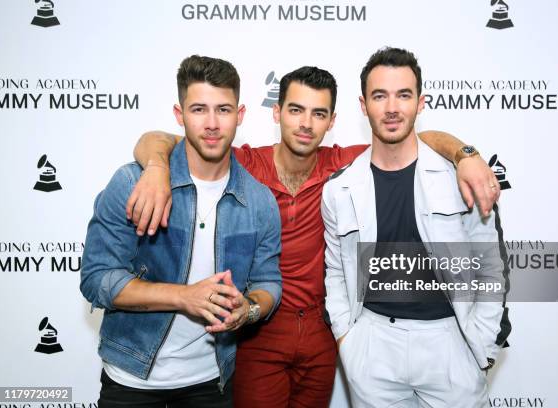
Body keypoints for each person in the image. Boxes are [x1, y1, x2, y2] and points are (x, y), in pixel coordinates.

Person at [128, 66, 501, 407]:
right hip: (259, 330)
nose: (306, 124)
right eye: (295, 110)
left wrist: (465, 154)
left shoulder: (345, 166)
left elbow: (417, 139)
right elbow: (158, 140)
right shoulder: (242, 163)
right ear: (276, 113)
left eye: (318, 114)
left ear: (332, 122)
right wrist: (158, 167)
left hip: (322, 337)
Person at [80, 55, 282, 408]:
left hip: (211, 382)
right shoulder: (132, 183)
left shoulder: (259, 201)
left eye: (223, 110)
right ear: (179, 114)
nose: (212, 123)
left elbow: (268, 282)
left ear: (241, 114)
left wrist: (247, 309)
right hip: (132, 381)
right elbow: (96, 280)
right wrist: (182, 296)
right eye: (199, 109)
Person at [322, 47, 510, 408]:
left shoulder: (461, 177)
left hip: (451, 343)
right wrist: (348, 339)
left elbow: (491, 266)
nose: (392, 107)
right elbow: (334, 270)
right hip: (373, 346)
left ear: (420, 102)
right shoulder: (339, 189)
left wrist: (483, 344)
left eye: (403, 95)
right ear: (363, 105)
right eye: (380, 95)